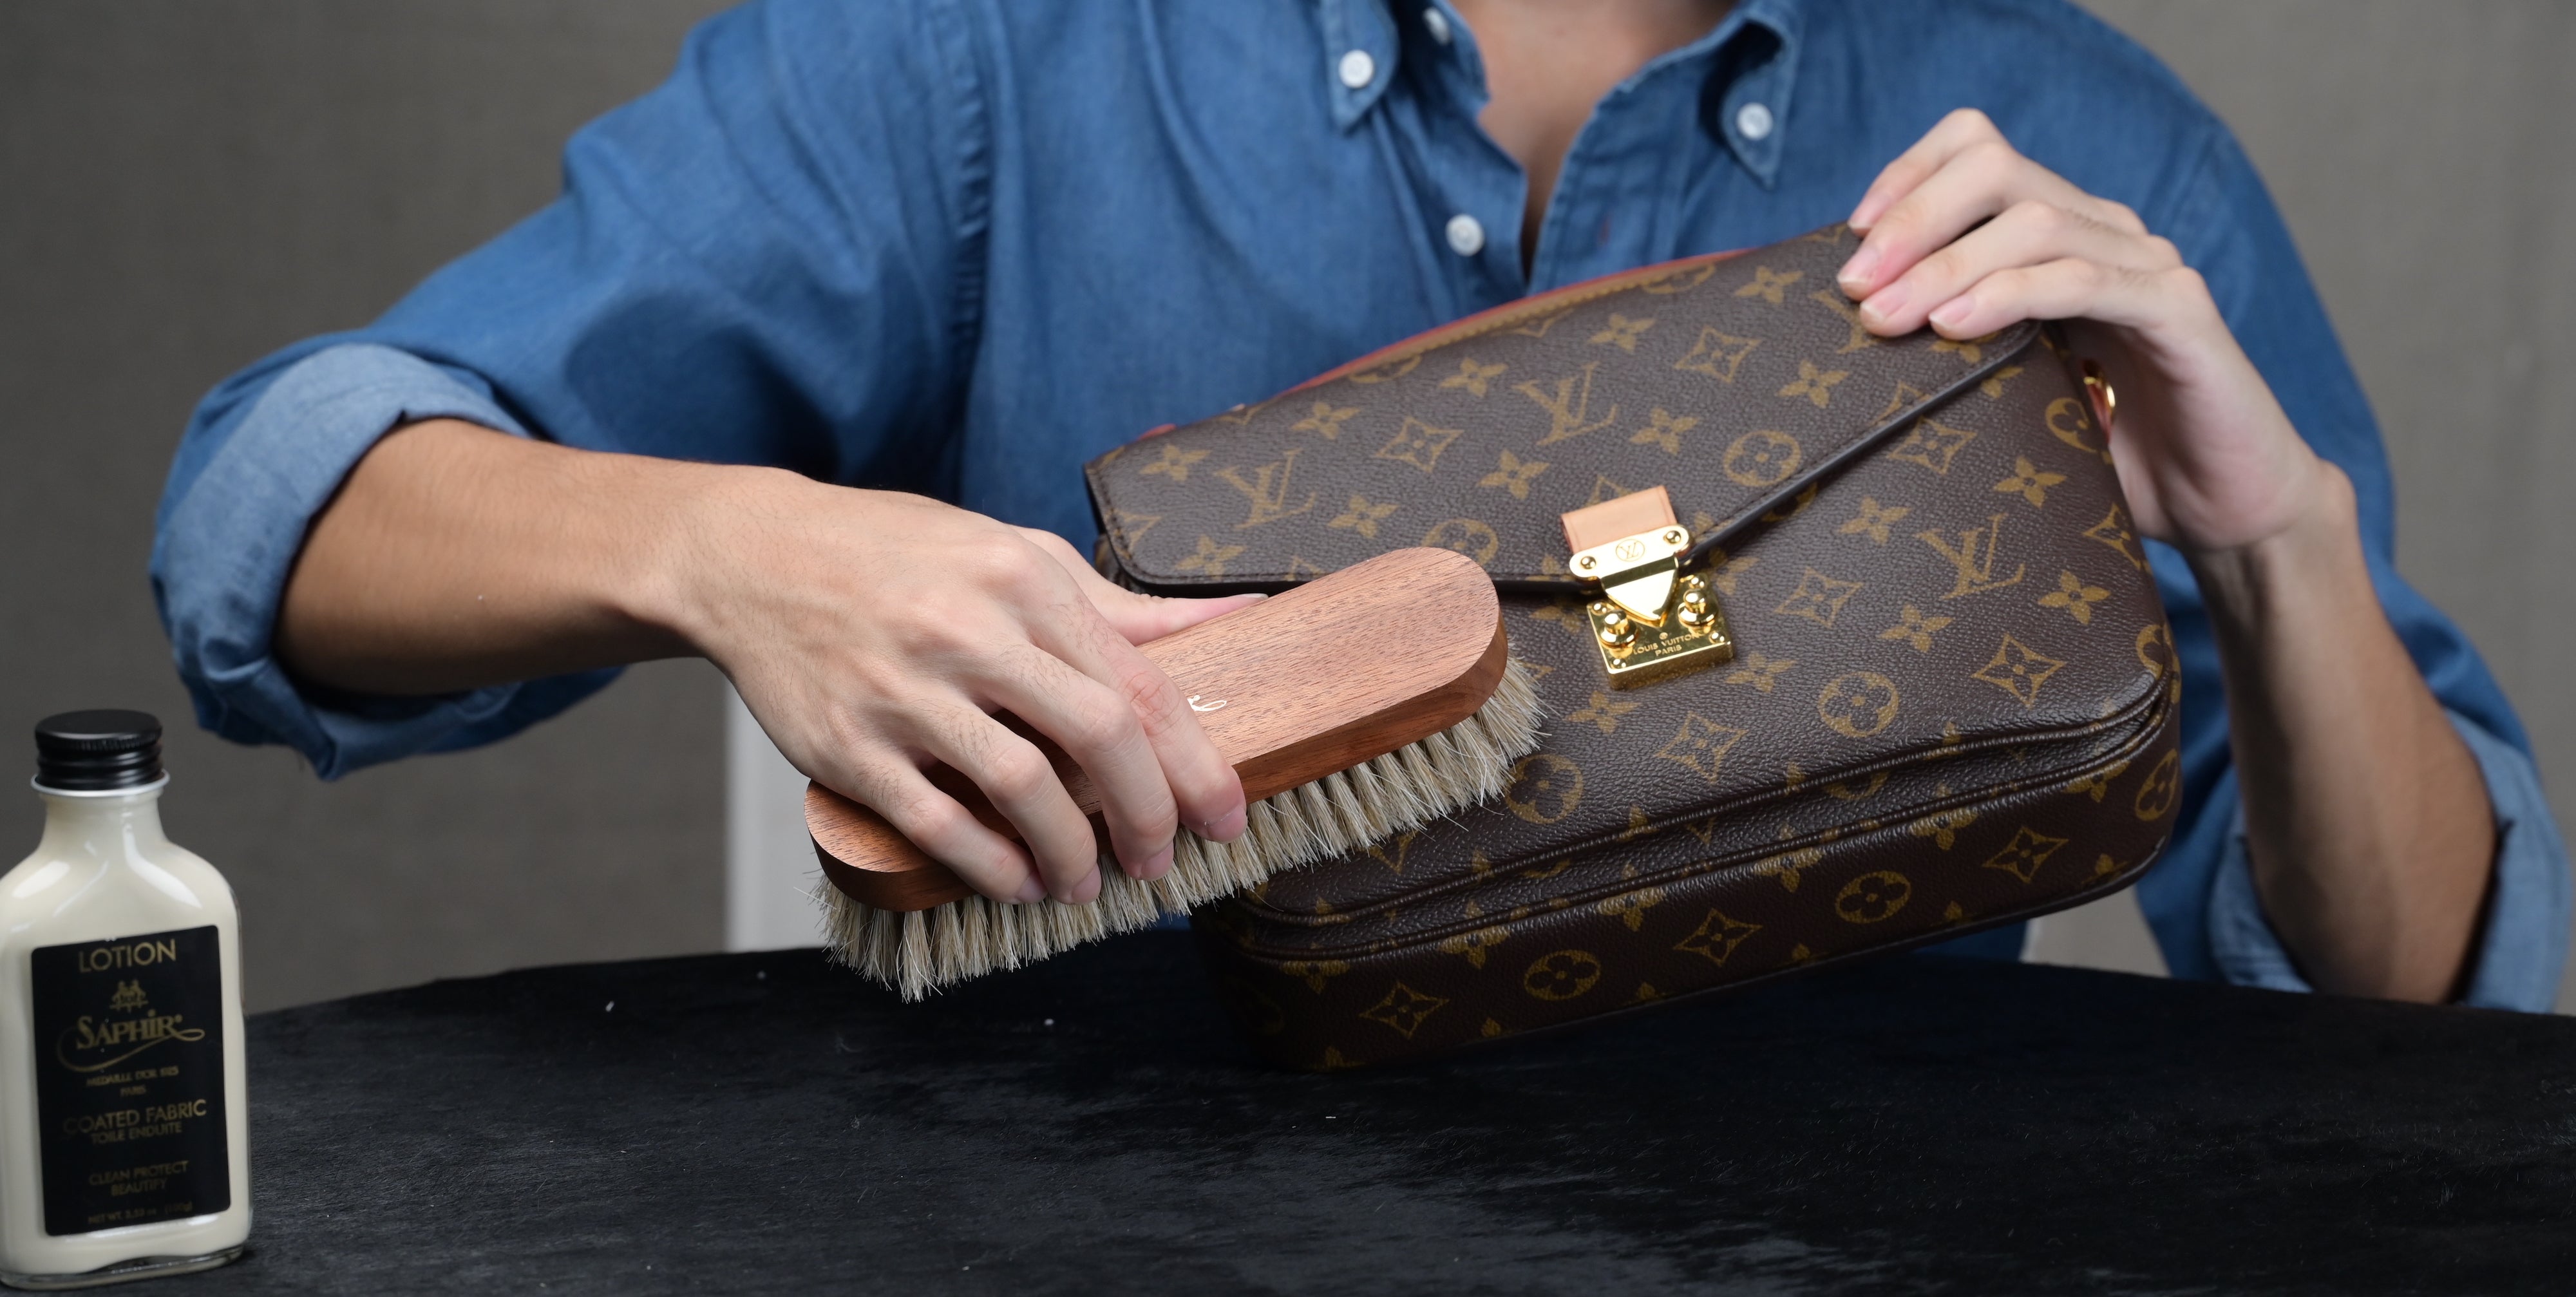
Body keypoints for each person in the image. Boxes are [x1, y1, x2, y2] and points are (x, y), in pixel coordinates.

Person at [151, 0, 2568, 1008]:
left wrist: (2279, 540)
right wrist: (723, 549)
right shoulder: (991, 55)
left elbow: (2421, 1003)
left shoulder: (2090, 151)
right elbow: (278, 522)